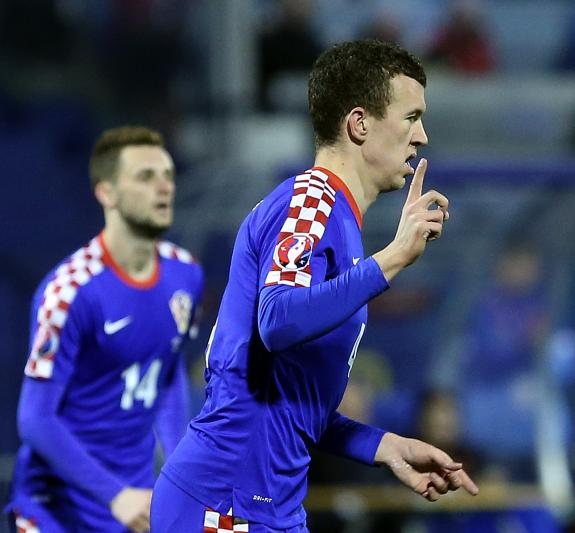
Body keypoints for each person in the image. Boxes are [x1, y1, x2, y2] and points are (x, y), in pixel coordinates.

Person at [151, 39, 479, 532]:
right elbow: (278, 319)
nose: (423, 136)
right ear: (360, 124)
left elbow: (290, 402)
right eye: (411, 117)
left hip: (269, 508)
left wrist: (384, 447)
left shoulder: (338, 221)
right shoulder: (310, 201)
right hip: (221, 506)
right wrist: (391, 259)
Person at [5, 126, 204, 533]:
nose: (164, 187)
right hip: (55, 511)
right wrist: (114, 493)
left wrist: (180, 473)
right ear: (106, 193)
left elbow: (166, 375)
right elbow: (34, 417)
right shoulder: (69, 292)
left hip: (135, 505)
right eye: (146, 177)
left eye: (168, 175)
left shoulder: (186, 275)